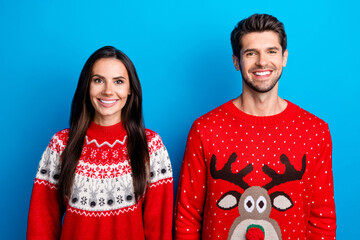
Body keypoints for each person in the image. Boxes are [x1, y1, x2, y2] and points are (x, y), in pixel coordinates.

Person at [174, 14, 336, 240]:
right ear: (236, 61)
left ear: (284, 58)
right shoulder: (205, 129)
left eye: (271, 51)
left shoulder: (315, 131)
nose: (262, 62)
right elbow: (188, 217)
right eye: (251, 53)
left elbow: (322, 218)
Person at [27, 46, 173, 240]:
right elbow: (41, 226)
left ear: (130, 89)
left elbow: (159, 230)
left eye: (118, 82)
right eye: (98, 80)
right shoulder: (60, 145)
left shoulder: (151, 146)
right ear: (87, 86)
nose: (108, 91)